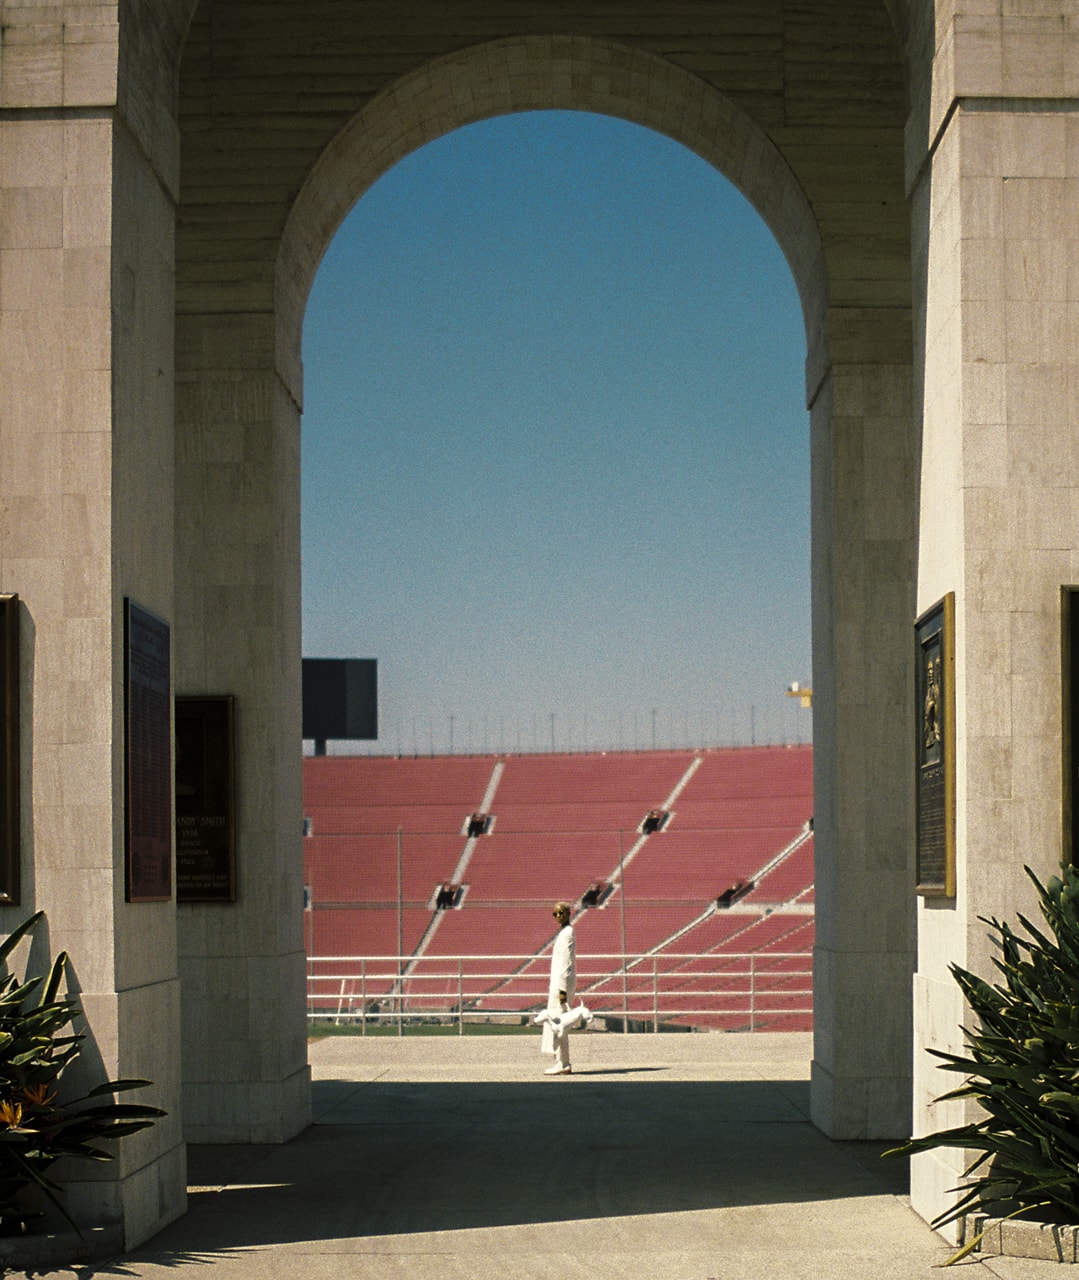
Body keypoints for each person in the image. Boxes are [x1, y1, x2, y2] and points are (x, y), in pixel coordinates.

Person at [541, 901, 576, 1075]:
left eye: (561, 913)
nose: (558, 916)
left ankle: (563, 1062)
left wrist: (562, 991)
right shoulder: (565, 932)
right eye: (555, 914)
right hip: (559, 984)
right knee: (558, 1023)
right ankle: (563, 1061)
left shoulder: (568, 933)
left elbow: (566, 963)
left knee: (558, 1022)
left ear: (568, 913)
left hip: (561, 986)